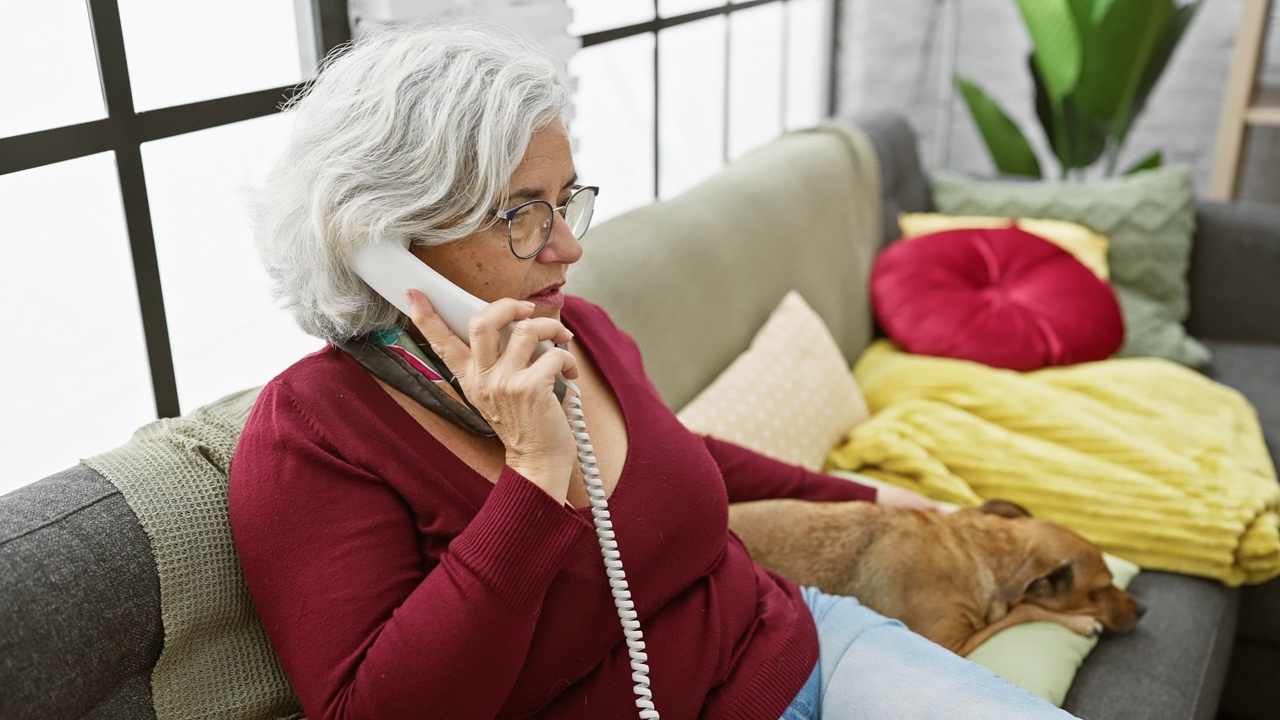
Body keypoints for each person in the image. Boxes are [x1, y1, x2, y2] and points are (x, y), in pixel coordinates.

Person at [228, 21, 1077, 720]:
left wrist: (871, 496)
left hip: (804, 638)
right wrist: (531, 476)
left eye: (566, 202)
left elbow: (680, 455)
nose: (569, 247)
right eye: (524, 215)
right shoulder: (312, 436)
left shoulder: (574, 329)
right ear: (389, 242)